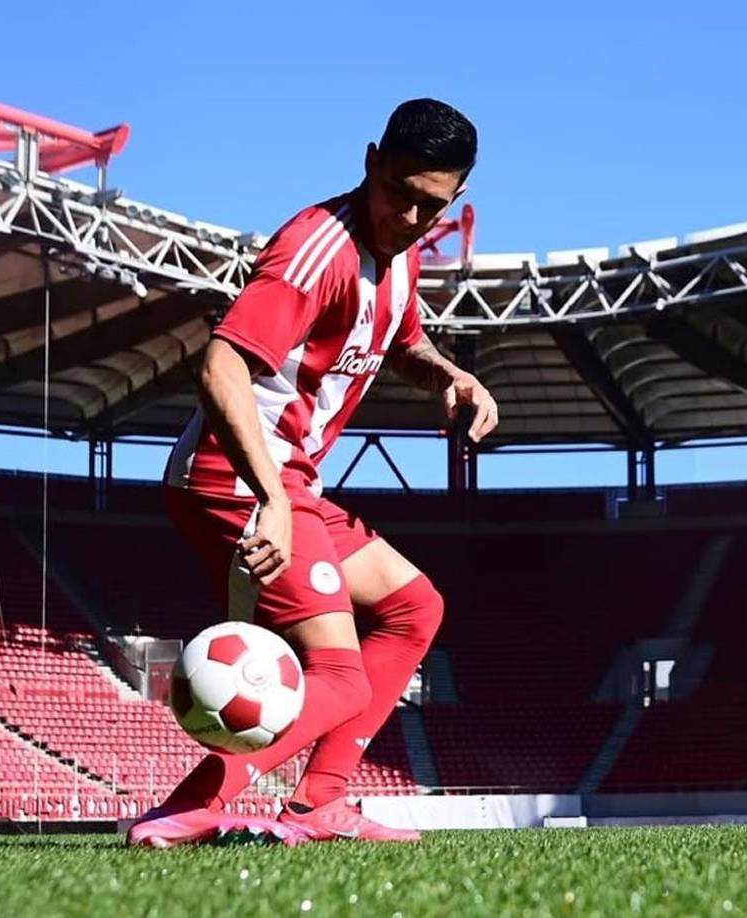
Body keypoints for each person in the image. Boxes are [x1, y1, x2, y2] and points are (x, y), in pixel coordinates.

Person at [129, 99, 498, 847]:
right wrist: (270, 496)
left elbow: (400, 337)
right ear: (370, 162)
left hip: (294, 484)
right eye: (400, 193)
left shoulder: (404, 250)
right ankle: (183, 812)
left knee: (413, 609)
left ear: (455, 199)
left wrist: (447, 374)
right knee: (339, 676)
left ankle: (317, 804)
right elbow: (221, 365)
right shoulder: (315, 250)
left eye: (433, 206)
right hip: (236, 477)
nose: (411, 217)